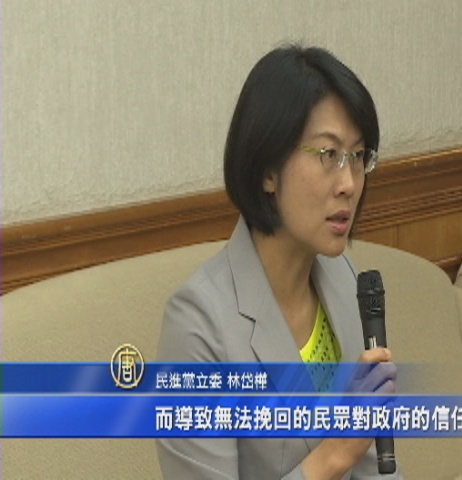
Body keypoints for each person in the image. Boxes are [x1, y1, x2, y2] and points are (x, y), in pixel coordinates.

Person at [156, 44, 402, 480]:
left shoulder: (344, 279)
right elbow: (347, 449)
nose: (349, 183)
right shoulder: (199, 325)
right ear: (267, 170)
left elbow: (377, 469)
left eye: (358, 156)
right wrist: (335, 453)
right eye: (328, 155)